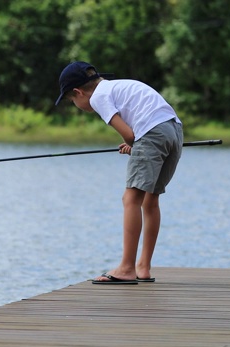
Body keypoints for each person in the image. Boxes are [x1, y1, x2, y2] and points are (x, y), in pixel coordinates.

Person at [55, 61, 183, 284]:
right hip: (174, 130)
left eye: (73, 101)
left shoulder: (98, 97)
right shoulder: (118, 86)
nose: (77, 105)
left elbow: (130, 135)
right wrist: (137, 147)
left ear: (78, 92)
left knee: (131, 198)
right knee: (150, 200)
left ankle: (126, 268)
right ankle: (143, 267)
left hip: (152, 133)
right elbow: (142, 132)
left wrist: (135, 145)